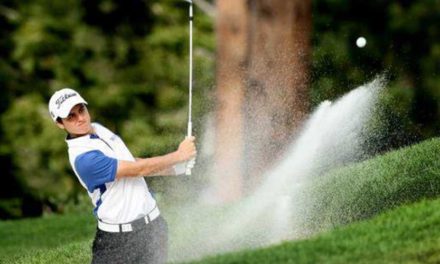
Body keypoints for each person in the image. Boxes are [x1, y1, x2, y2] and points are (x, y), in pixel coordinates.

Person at [48, 88, 197, 264]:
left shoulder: (98, 129)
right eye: (71, 117)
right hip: (117, 242)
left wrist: (176, 168)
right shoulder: (84, 159)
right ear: (60, 124)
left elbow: (130, 163)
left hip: (154, 228)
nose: (80, 118)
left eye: (81, 110)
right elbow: (138, 170)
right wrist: (179, 155)